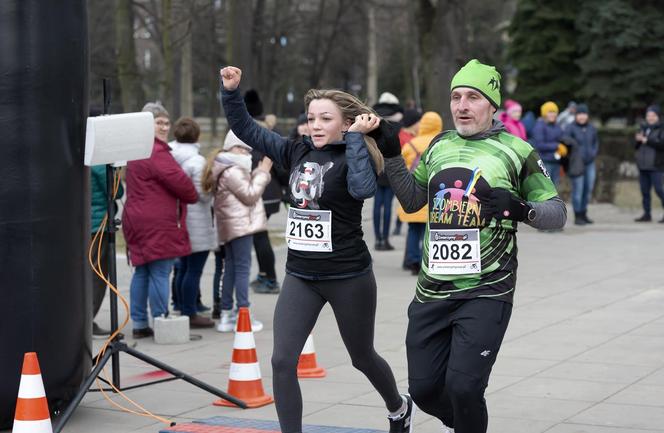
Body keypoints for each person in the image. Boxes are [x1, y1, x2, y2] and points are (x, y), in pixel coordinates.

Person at [373, 59, 567, 433]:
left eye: (473, 97)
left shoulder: (517, 151)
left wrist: (520, 208)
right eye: (456, 96)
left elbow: (557, 213)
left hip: (487, 290)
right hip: (432, 289)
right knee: (426, 390)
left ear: (492, 105)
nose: (462, 105)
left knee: (464, 387)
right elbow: (413, 201)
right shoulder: (440, 144)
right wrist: (393, 156)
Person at [220, 66, 414, 433]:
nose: (317, 125)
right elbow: (247, 130)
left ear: (346, 123)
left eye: (326, 118)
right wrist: (231, 92)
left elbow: (362, 190)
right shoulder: (296, 151)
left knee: (362, 357)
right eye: (312, 119)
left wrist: (357, 139)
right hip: (301, 276)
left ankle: (398, 406)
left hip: (348, 277)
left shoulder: (356, 155)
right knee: (281, 361)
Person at [122, 102, 198, 339]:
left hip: (135, 218)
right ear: (147, 125)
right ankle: (161, 319)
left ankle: (139, 323)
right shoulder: (156, 151)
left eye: (167, 122)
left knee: (142, 271)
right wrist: (193, 195)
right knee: (160, 271)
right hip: (156, 221)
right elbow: (182, 185)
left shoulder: (136, 149)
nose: (165, 127)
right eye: (159, 122)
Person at [205, 130, 272, 333]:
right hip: (239, 226)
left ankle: (227, 314)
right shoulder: (232, 169)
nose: (245, 152)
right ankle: (243, 313)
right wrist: (263, 173)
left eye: (247, 148)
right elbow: (250, 195)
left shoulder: (225, 167)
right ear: (230, 147)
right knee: (241, 269)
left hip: (231, 225)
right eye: (240, 147)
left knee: (232, 268)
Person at [169, 117, 216, 328]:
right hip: (196, 222)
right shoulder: (197, 162)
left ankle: (179, 305)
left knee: (182, 267)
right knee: (193, 270)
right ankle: (190, 312)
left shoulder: (169, 156)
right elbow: (201, 196)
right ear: (197, 136)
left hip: (177, 219)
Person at [244, 89, 287, 294]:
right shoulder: (272, 130)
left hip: (258, 191)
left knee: (259, 237)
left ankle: (270, 279)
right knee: (259, 236)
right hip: (272, 193)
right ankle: (263, 274)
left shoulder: (248, 132)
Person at [399, 111, 442, 275]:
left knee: (412, 231)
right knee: (428, 231)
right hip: (433, 196)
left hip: (413, 192)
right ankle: (428, 259)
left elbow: (402, 168)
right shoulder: (440, 144)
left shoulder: (411, 144)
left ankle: (412, 260)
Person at [90, 164, 124, 338]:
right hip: (98, 224)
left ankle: (84, 320)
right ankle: (87, 321)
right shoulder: (99, 163)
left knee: (90, 272)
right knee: (98, 273)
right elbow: (116, 191)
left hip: (87, 222)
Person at [372, 92, 404, 250]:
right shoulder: (399, 123)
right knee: (388, 204)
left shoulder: (373, 119)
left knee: (377, 204)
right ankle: (385, 239)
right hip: (392, 165)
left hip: (376, 164)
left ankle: (377, 239)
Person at [562, 104, 599, 225]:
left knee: (588, 189)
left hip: (590, 163)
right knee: (578, 190)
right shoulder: (570, 127)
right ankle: (577, 215)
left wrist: (593, 153)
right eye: (579, 114)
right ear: (576, 115)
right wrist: (574, 145)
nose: (582, 116)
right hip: (577, 163)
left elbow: (595, 142)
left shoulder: (591, 128)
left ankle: (584, 213)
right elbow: (565, 140)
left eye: (584, 114)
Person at [395, 109, 422, 237]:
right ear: (414, 123)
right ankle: (397, 225)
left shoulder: (405, 136)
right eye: (418, 122)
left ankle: (397, 226)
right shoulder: (407, 139)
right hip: (408, 178)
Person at [634, 104, 664, 222]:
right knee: (644, 191)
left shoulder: (662, 129)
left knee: (659, 190)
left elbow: (662, 145)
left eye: (653, 115)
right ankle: (647, 214)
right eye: (648, 115)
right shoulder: (643, 128)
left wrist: (647, 140)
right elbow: (637, 146)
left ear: (658, 116)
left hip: (656, 165)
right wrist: (638, 141)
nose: (650, 117)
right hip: (643, 165)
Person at [532, 101, 566, 187]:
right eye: (550, 112)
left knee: (555, 189)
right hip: (545, 162)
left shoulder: (557, 126)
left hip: (556, 161)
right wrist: (557, 146)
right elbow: (539, 145)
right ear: (544, 113)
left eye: (554, 112)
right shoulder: (539, 126)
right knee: (546, 188)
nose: (552, 114)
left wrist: (564, 148)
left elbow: (562, 140)